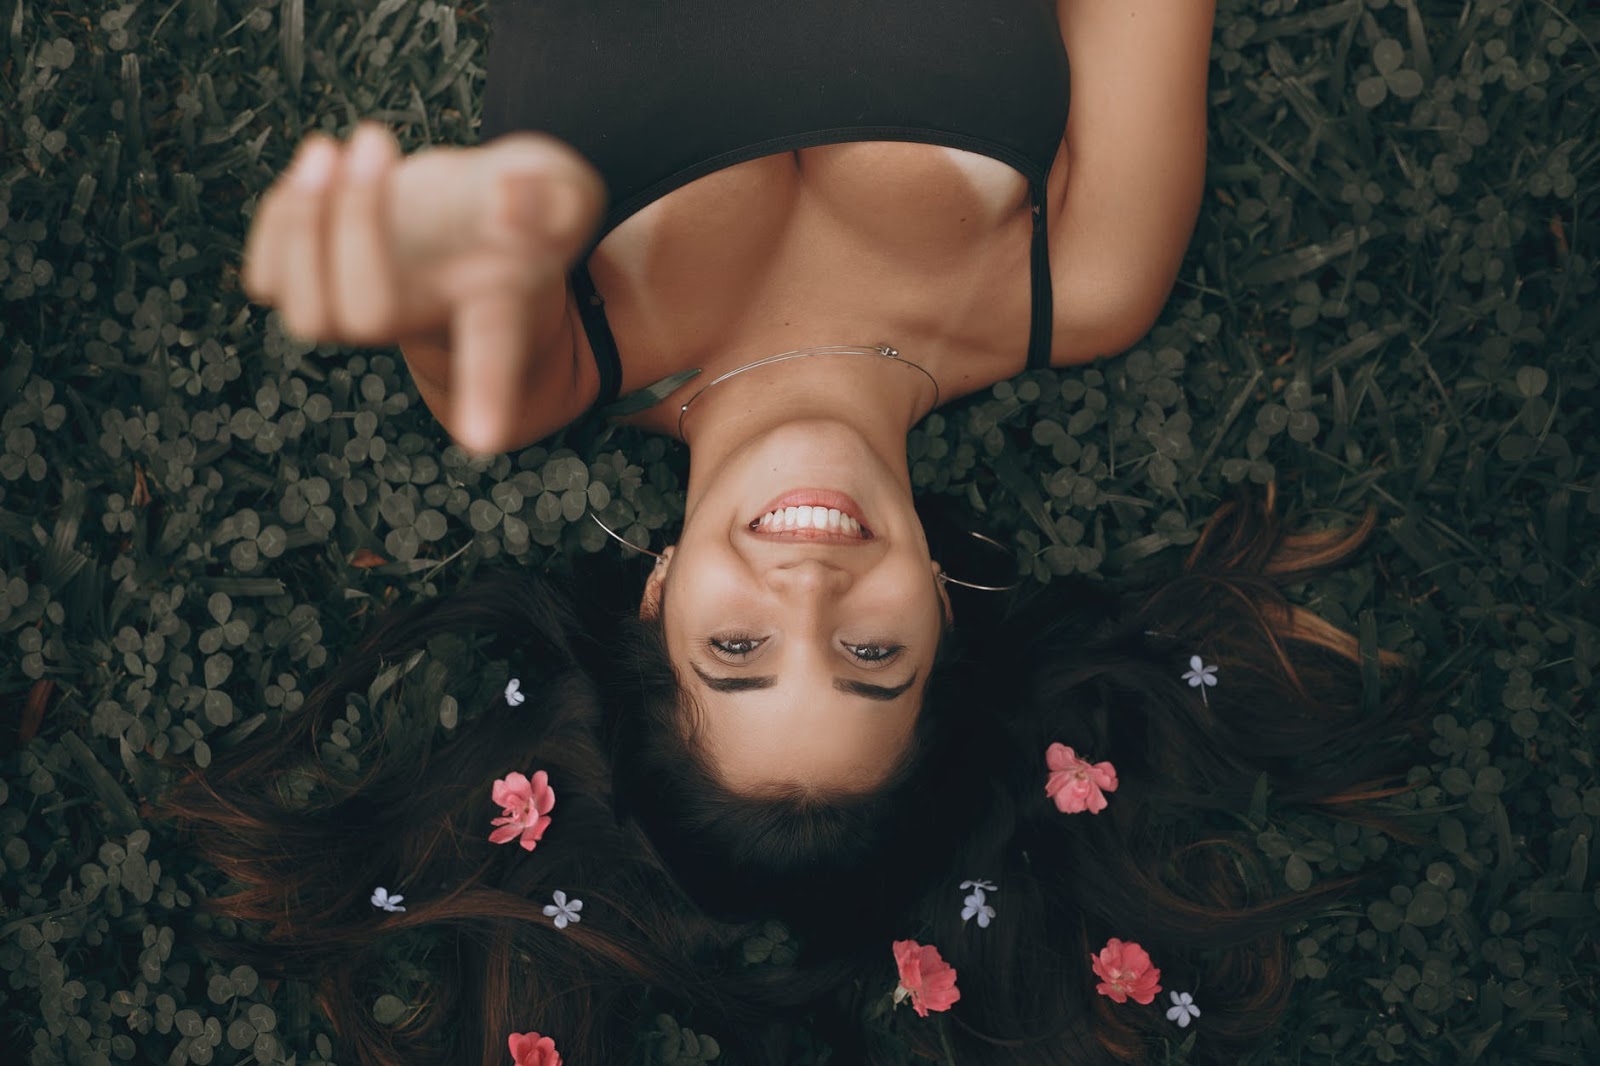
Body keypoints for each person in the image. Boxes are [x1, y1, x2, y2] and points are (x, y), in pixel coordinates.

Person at [166, 2, 1426, 1064]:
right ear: (943, 610)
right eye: (871, 659)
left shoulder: (533, 378)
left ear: (656, 598)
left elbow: (435, 275)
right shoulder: (1084, 282)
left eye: (737, 648)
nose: (810, 590)